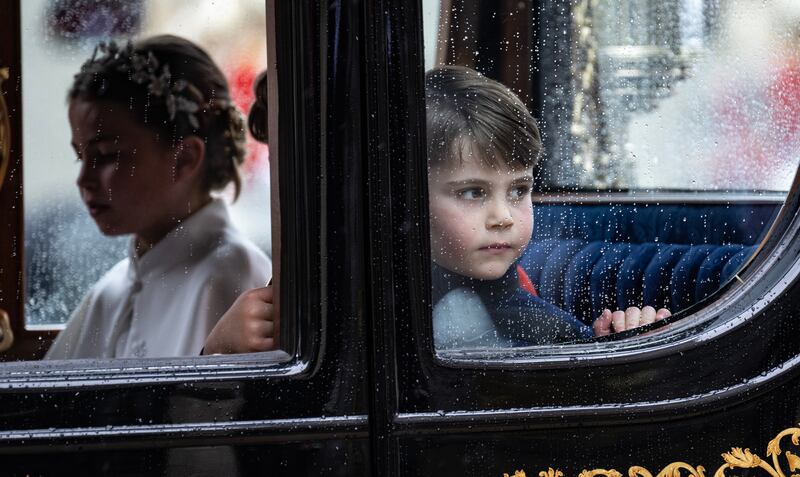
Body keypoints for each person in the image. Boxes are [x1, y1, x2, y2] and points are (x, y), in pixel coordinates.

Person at [202, 65, 668, 355]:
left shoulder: (535, 323)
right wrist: (222, 350)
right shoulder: (360, 307)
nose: (503, 215)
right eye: (471, 193)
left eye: (519, 190)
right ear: (405, 199)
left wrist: (614, 349)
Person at [45, 35, 271, 359]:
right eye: (81, 157)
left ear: (184, 159)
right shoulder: (111, 292)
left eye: (108, 155)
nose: (84, 180)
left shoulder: (231, 277)